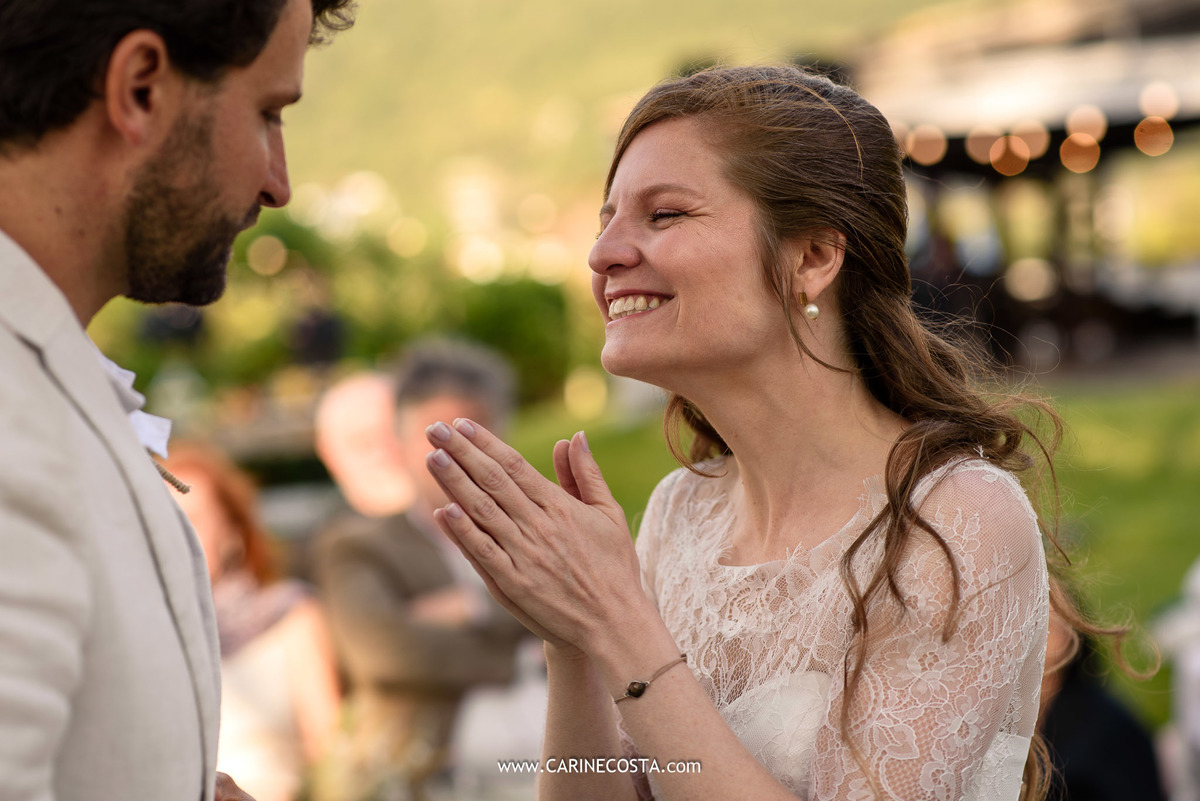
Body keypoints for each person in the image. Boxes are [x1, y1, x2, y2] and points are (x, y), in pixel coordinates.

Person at [423, 65, 1064, 800]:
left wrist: (616, 620)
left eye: (664, 215)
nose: (602, 255)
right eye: (606, 221)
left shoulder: (954, 520)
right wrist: (571, 639)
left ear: (813, 257)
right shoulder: (680, 513)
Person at [0, 1, 354, 799]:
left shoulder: (47, 372)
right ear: (141, 89)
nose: (279, 183)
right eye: (267, 113)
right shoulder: (12, 422)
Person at [313, 341, 530, 801]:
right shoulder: (360, 546)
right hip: (427, 771)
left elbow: (588, 608)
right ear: (399, 444)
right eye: (433, 436)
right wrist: (523, 655)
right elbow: (384, 652)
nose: (454, 453)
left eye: (471, 433)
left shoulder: (532, 535)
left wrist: (472, 607)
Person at [166, 442, 342, 801]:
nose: (176, 536)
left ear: (232, 533)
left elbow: (329, 750)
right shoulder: (144, 637)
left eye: (193, 520)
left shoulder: (290, 614)